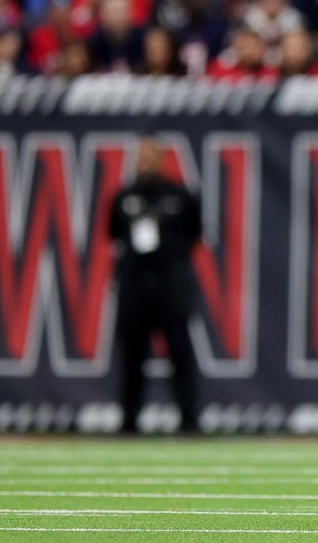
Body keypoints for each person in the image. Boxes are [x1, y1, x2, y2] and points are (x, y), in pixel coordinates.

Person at [108, 136, 203, 434]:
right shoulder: (124, 198)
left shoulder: (179, 196)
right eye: (141, 156)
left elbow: (195, 234)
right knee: (132, 354)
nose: (146, 161)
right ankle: (129, 421)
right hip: (135, 284)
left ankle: (189, 421)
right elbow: (112, 235)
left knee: (180, 351)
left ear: (162, 159)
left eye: (151, 156)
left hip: (170, 283)